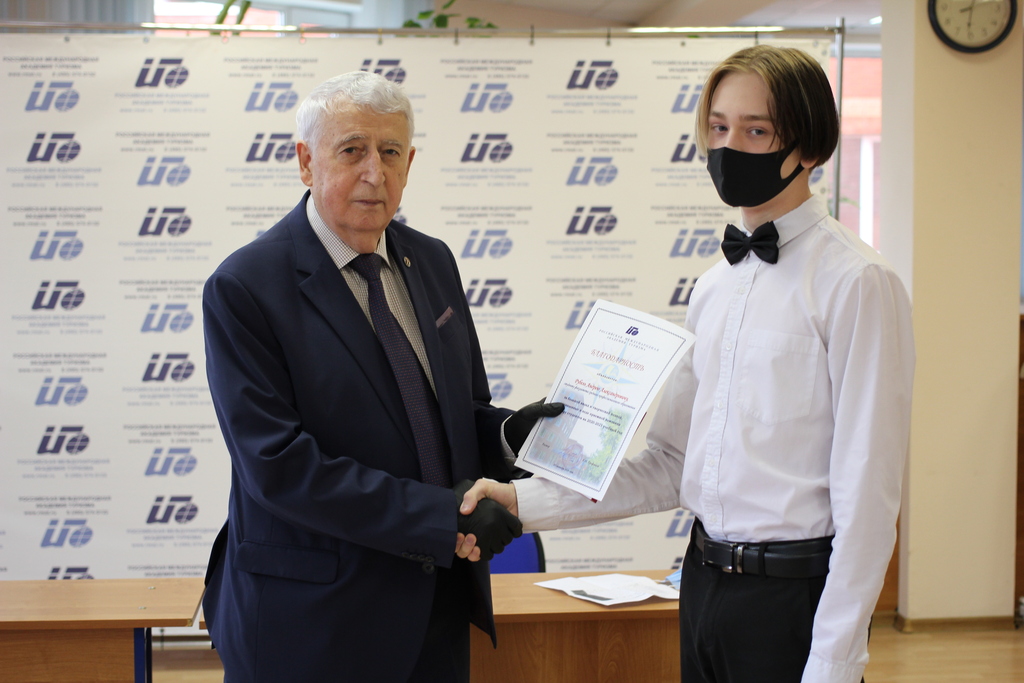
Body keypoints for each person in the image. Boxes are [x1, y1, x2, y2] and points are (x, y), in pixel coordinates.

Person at [458, 45, 915, 683]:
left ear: (809, 146)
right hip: (700, 587)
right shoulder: (712, 288)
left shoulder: (858, 282)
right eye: (719, 128)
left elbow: (868, 493)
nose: (729, 148)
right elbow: (671, 465)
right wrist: (518, 500)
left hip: (793, 602)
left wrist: (836, 660)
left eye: (756, 131)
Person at [201, 71, 561, 682]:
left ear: (409, 163)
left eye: (391, 152)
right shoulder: (245, 287)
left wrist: (508, 436)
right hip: (312, 624)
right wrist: (442, 516)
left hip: (437, 609)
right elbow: (280, 467)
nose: (375, 172)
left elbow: (456, 413)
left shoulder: (433, 260)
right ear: (306, 162)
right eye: (352, 150)